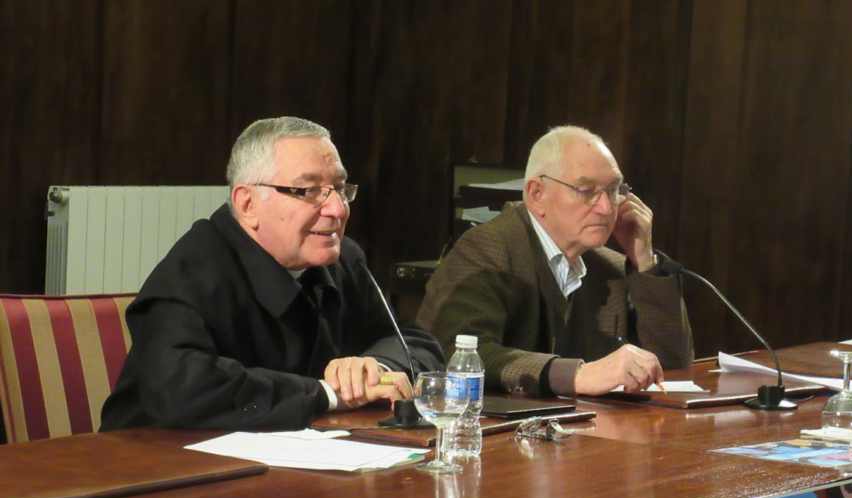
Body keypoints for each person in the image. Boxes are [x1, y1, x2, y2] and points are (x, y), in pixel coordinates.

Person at [101, 116, 443, 431]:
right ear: (247, 204)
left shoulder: (343, 259)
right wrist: (327, 393)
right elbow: (179, 388)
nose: (337, 209)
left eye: (340, 188)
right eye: (308, 191)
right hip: (160, 461)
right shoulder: (194, 268)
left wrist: (375, 368)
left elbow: (416, 343)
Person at [417, 125, 693, 397]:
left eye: (613, 190)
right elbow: (457, 353)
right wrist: (576, 375)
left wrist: (644, 261)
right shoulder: (486, 249)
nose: (607, 207)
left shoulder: (611, 267)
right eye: (586, 190)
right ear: (537, 194)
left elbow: (672, 367)